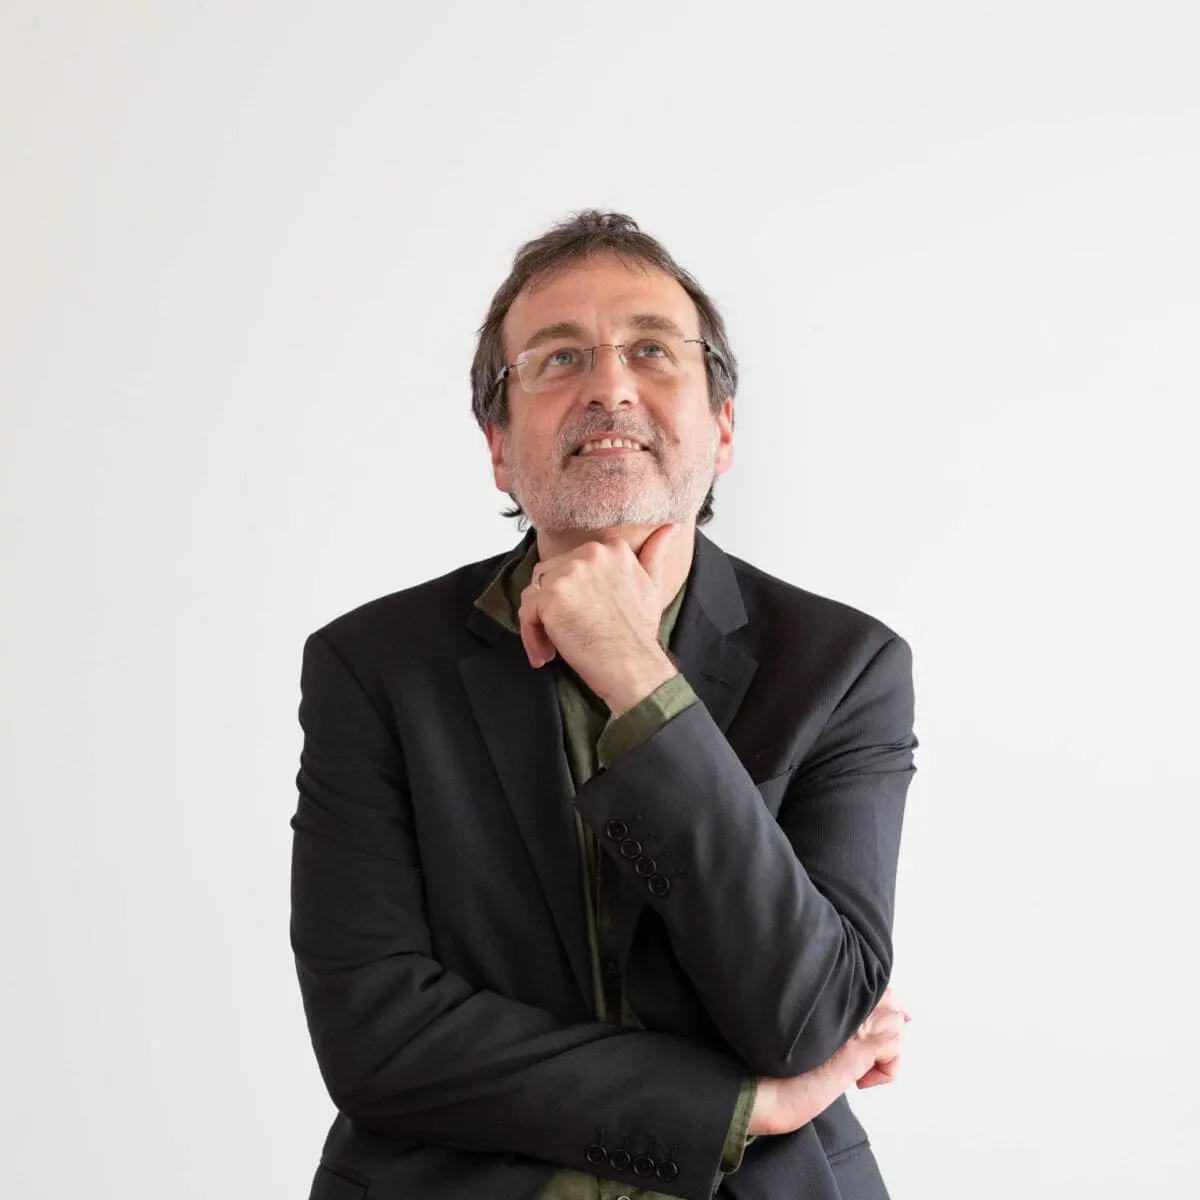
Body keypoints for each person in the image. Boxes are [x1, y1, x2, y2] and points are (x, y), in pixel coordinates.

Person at [290, 210, 918, 1200]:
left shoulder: (846, 667)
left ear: (722, 428)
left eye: (652, 350)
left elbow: (807, 1018)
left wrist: (637, 676)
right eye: (559, 358)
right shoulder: (372, 667)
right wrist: (734, 1106)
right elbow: (378, 1037)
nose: (611, 385)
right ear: (500, 447)